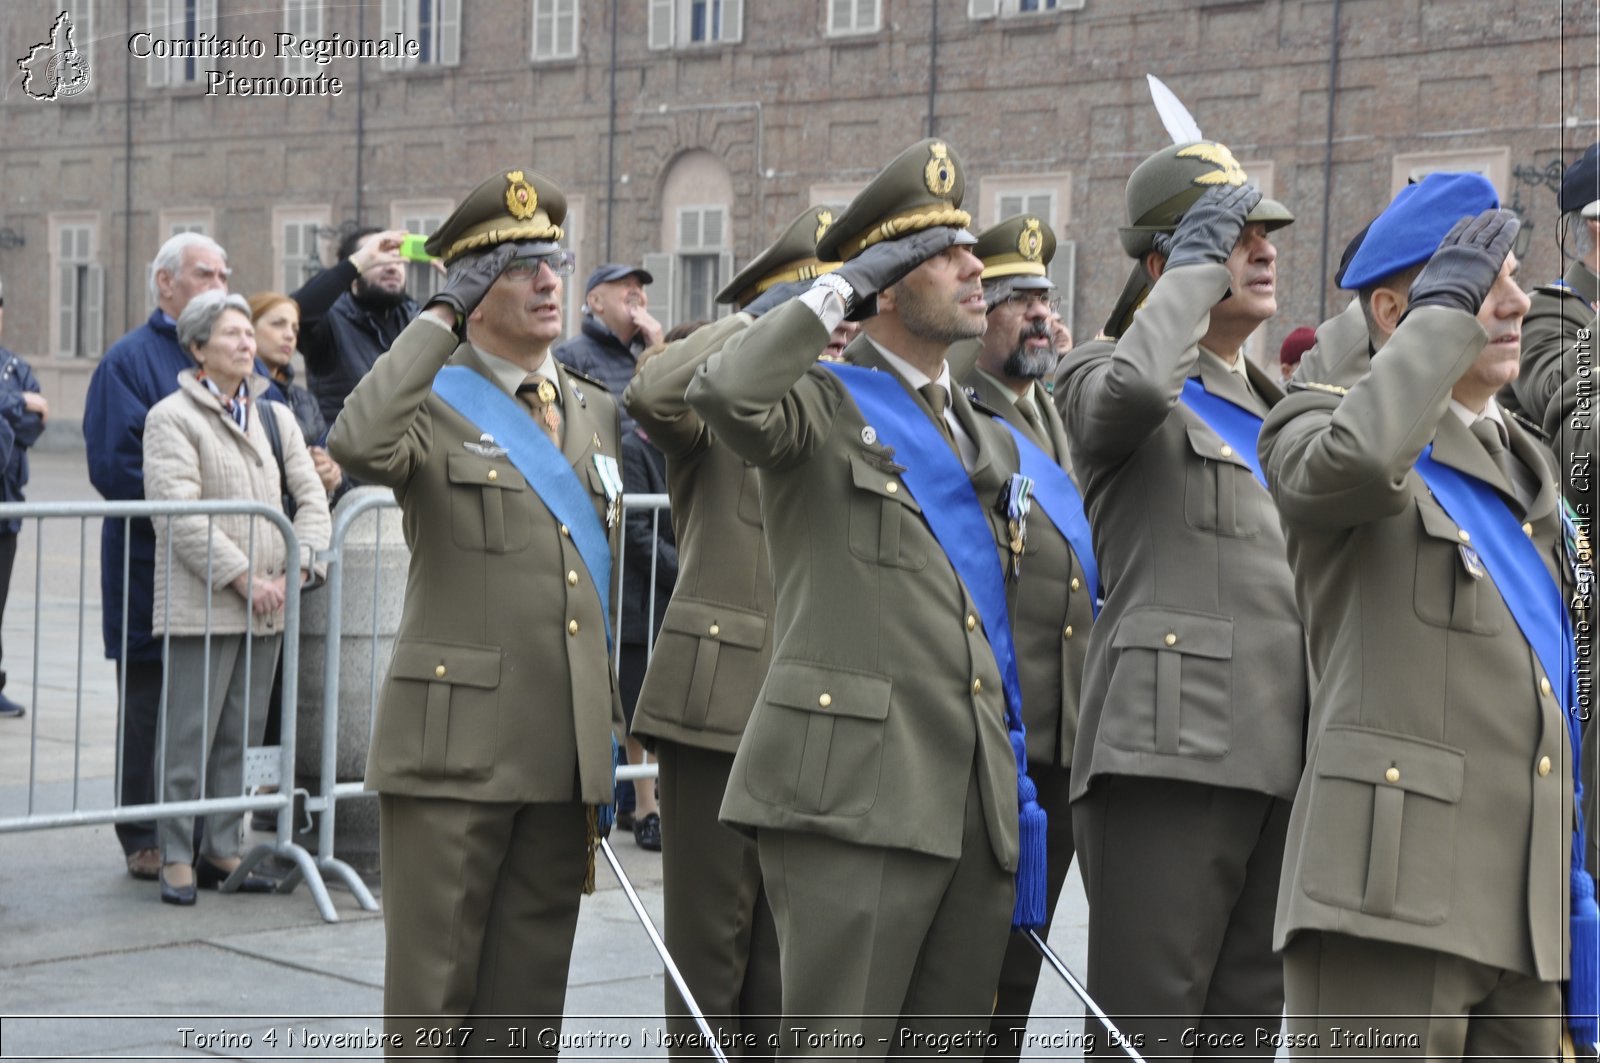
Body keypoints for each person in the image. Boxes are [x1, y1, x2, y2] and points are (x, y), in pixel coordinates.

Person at [688, 139, 1044, 1057]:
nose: (977, 267)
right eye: (944, 252)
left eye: (972, 247)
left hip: (968, 799)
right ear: (887, 282)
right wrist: (836, 291)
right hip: (857, 800)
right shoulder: (820, 402)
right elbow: (724, 390)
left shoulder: (979, 431)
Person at [1260, 183, 1582, 1056]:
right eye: (1483, 282)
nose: (1515, 301)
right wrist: (1441, 319)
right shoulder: (1315, 422)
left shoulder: (1527, 466)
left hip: (1528, 911)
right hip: (1390, 899)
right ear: (1398, 310)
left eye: (1512, 274)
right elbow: (1362, 458)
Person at [327, 166, 623, 1054]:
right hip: (453, 755)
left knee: (527, 1013)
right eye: (518, 264)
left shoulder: (592, 411)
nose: (546, 280)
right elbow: (357, 440)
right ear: (466, 285)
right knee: (433, 1006)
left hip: (556, 750)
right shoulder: (430, 399)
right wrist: (436, 320)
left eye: (554, 261)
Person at [1054, 143, 1306, 1057]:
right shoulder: (1102, 368)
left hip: (1284, 756)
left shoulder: (1287, 406)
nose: (1264, 249)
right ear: (1166, 264)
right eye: (1235, 238)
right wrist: (1191, 282)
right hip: (1171, 753)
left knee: (1243, 1037)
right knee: (1145, 1037)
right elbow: (1124, 400)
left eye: (1266, 232)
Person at [624, 203, 841, 1058]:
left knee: (786, 959)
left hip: (815, 700)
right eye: (817, 311)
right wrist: (757, 321)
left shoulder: (838, 407)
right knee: (712, 948)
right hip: (722, 699)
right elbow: (649, 392)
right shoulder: (715, 418)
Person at [954, 215, 1097, 1061]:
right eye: (1014, 300)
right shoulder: (958, 419)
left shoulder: (1057, 413)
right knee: (972, 971)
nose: (1038, 315)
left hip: (1064, 732)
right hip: (995, 734)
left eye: (1044, 297)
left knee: (1022, 971)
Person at [142, 291, 331, 905]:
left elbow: (310, 497)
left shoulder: (274, 416)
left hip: (272, 601)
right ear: (198, 348)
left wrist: (300, 564)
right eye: (231, 335)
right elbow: (178, 514)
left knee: (241, 735)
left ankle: (222, 846)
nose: (247, 343)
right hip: (209, 600)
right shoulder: (172, 417)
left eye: (249, 333)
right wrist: (245, 577)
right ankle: (175, 851)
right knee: (187, 734)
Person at [84, 231, 232, 882]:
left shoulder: (228, 361)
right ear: (165, 283)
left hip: (217, 564)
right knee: (149, 702)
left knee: (209, 702)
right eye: (205, 273)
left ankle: (201, 827)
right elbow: (115, 466)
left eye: (225, 273)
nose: (219, 284)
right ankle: (143, 830)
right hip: (149, 565)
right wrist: (191, 494)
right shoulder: (129, 361)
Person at [616, 338, 679, 852]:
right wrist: (691, 567)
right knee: (637, 710)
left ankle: (665, 799)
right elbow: (636, 530)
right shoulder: (632, 446)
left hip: (675, 599)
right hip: (642, 599)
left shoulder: (693, 443)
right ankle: (643, 806)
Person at [293, 227, 419, 427]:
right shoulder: (331, 321)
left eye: (397, 258)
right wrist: (357, 262)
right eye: (379, 259)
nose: (392, 266)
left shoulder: (417, 321)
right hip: (343, 455)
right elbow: (297, 313)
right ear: (354, 269)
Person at [0, 279, 46, 719]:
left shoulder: (15, 366)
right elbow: (25, 414)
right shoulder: (16, 384)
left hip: (5, 508)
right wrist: (17, 403)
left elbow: (32, 429)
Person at [553, 262, 662, 432]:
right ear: (596, 301)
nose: (636, 291)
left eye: (639, 287)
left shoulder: (651, 348)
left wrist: (658, 350)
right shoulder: (570, 355)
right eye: (625, 284)